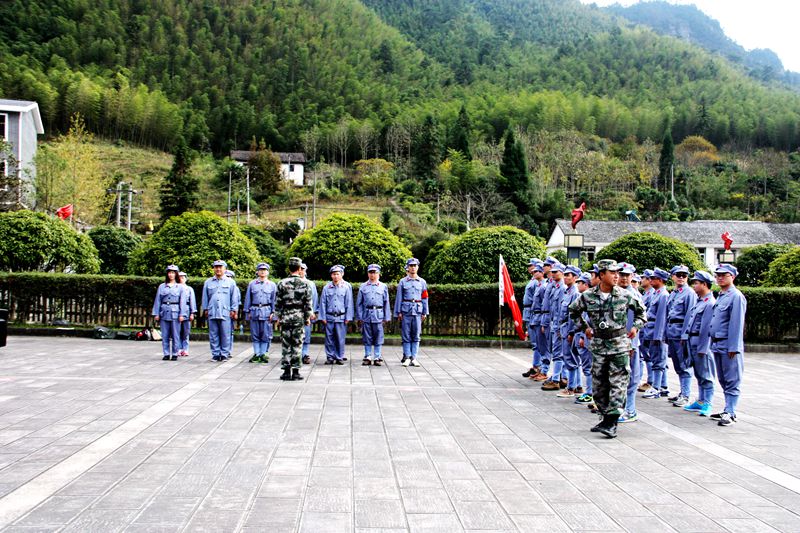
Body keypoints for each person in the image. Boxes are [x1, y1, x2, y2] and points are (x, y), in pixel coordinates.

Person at [569, 259, 646, 438]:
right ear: (601, 275)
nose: (617, 276)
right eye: (612, 273)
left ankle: (612, 421)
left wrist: (635, 326)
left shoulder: (625, 295)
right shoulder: (588, 296)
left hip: (619, 344)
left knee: (618, 383)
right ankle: (605, 417)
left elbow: (642, 313)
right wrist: (584, 327)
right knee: (599, 384)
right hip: (598, 345)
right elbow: (573, 310)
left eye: (618, 273)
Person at [708, 264, 747, 426]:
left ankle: (730, 412)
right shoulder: (723, 295)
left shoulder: (736, 296)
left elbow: (736, 324)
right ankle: (727, 408)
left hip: (728, 345)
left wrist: (734, 347)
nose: (720, 277)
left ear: (733, 277)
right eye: (718, 275)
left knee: (732, 379)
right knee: (723, 379)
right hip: (718, 344)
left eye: (724, 275)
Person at [680, 270, 716, 417]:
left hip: (701, 344)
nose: (694, 285)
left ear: (705, 284)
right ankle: (701, 400)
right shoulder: (700, 301)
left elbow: (707, 328)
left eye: (696, 283)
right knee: (699, 373)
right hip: (693, 341)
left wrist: (703, 348)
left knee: (706, 374)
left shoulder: (709, 303)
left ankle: (707, 402)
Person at [274, 257, 314, 380]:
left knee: (286, 344)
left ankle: (286, 371)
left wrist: (278, 317)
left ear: (289, 268)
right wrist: (307, 317)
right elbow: (308, 304)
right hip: (299, 317)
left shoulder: (281, 283)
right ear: (299, 268)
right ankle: (296, 372)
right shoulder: (306, 284)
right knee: (297, 344)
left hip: (286, 317)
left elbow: (278, 303)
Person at [665, 265, 698, 406]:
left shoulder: (689, 293)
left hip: (680, 333)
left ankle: (686, 395)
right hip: (672, 331)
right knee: (678, 365)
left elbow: (690, 316)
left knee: (684, 365)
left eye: (684, 275)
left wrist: (685, 335)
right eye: (678, 275)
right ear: (672, 276)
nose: (681, 277)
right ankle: (682, 392)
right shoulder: (674, 293)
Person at [617, 263, 645, 423]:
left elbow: (638, 320)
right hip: (616, 342)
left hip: (628, 343)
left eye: (627, 275)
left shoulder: (633, 295)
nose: (624, 277)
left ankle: (630, 410)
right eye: (621, 274)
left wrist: (632, 344)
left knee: (631, 377)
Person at [201, 260, 240, 361]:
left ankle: (224, 354)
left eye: (220, 267)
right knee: (213, 334)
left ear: (225, 269)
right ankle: (215, 353)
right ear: (213, 268)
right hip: (212, 311)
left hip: (225, 311)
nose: (218, 269)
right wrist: (205, 309)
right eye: (216, 267)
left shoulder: (231, 282)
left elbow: (234, 297)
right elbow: (205, 297)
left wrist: (234, 309)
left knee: (225, 333)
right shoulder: (208, 282)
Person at [394, 258, 429, 367]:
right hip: (406, 311)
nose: (413, 268)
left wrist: (425, 312)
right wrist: (398, 312)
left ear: (418, 267)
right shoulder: (403, 281)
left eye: (415, 265)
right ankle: (407, 357)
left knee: (416, 335)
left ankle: (414, 357)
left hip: (418, 311)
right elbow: (399, 298)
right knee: (406, 335)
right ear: (408, 267)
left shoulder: (422, 282)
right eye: (411, 265)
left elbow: (424, 297)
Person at [641, 268, 669, 399]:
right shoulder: (656, 294)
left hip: (656, 332)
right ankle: (660, 386)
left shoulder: (663, 295)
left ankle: (657, 387)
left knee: (659, 360)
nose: (650, 280)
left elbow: (661, 316)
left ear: (660, 280)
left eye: (653, 278)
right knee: (655, 358)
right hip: (650, 329)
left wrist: (658, 335)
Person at [356, 264, 391, 366]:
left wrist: (386, 317)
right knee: (367, 336)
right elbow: (359, 303)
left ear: (378, 274)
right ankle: (367, 356)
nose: (373, 274)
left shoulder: (383, 286)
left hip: (378, 315)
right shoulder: (363, 286)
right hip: (367, 314)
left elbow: (386, 302)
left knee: (378, 336)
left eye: (375, 272)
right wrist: (360, 316)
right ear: (368, 273)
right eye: (371, 272)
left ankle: (377, 356)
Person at [152, 265, 188, 361]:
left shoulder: (180, 287)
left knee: (176, 334)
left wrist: (182, 314)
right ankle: (166, 353)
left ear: (176, 274)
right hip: (164, 312)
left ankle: (175, 353)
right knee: (165, 335)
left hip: (175, 312)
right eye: (169, 272)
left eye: (173, 273)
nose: (171, 275)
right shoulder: (162, 286)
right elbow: (158, 300)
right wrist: (156, 313)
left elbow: (183, 302)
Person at [319, 265, 354, 365]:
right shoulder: (327, 287)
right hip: (329, 317)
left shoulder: (346, 287)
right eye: (334, 274)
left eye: (337, 274)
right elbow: (323, 303)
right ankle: (330, 357)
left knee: (340, 338)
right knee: (329, 338)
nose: (335, 276)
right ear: (331, 275)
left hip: (341, 317)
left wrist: (348, 317)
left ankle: (339, 356)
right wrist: (323, 317)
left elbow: (349, 303)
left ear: (342, 274)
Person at [244, 262, 277, 364]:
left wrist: (273, 312)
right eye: (261, 270)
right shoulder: (252, 284)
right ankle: (257, 354)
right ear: (257, 272)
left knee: (266, 334)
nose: (262, 271)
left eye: (265, 270)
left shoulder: (272, 285)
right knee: (255, 334)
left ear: (268, 272)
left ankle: (263, 354)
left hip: (266, 311)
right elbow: (248, 298)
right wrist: (247, 311)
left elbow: (274, 300)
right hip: (254, 311)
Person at [556, 265, 580, 398]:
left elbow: (573, 315)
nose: (565, 277)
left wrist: (571, 332)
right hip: (564, 328)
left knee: (571, 359)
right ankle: (573, 386)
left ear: (575, 277)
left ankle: (571, 387)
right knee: (568, 358)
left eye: (568, 275)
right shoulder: (567, 291)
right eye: (564, 275)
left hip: (569, 329)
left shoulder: (575, 293)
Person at [541, 262, 565, 390]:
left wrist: (559, 326)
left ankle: (557, 378)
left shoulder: (562, 288)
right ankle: (559, 377)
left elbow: (561, 310)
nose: (554, 273)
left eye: (556, 272)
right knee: (555, 351)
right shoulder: (555, 287)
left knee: (559, 353)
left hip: (558, 324)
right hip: (553, 322)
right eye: (553, 271)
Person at [573, 273, 594, 405]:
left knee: (589, 367)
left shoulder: (589, 298)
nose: (578, 284)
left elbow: (588, 320)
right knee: (586, 366)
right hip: (582, 334)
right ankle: (589, 391)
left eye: (580, 282)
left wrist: (581, 336)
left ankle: (590, 393)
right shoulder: (584, 297)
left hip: (587, 336)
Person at [522, 258, 544, 378]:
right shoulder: (533, 280)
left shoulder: (537, 282)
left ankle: (537, 366)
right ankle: (536, 365)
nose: (530, 268)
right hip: (528, 311)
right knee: (533, 340)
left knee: (536, 342)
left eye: (532, 266)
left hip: (533, 311)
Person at [638, 269, 656, 392]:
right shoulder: (646, 294)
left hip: (651, 329)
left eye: (644, 278)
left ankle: (653, 382)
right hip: (644, 328)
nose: (641, 280)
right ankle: (651, 381)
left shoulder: (653, 294)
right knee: (646, 355)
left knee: (653, 357)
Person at [299, 263, 318, 365]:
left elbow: (314, 299)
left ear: (305, 271)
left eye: (303, 269)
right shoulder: (291, 283)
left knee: (306, 335)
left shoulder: (311, 284)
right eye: (299, 269)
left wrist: (313, 312)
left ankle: (305, 354)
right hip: (295, 314)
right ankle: (297, 354)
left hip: (306, 313)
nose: (301, 271)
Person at [177, 271, 196, 357]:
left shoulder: (189, 289)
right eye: (180, 277)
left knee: (185, 332)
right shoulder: (175, 287)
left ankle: (185, 349)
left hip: (186, 311)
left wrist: (192, 313)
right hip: (176, 311)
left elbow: (192, 301)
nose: (181, 279)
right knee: (177, 331)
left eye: (183, 277)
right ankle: (178, 349)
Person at [223, 269, 241, 359]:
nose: (228, 278)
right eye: (227, 276)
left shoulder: (235, 288)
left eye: (230, 277)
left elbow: (237, 302)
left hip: (231, 312)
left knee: (230, 332)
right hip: (223, 312)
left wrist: (236, 312)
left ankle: (229, 350)